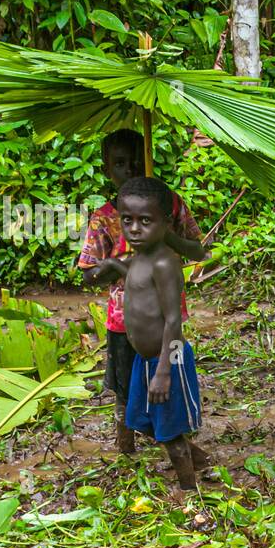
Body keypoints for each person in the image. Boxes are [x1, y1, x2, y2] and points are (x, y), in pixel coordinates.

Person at [77, 129, 207, 454]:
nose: (130, 168)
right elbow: (87, 274)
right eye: (120, 163)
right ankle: (127, 451)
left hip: (167, 317)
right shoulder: (104, 219)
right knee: (125, 390)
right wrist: (113, 266)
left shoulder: (171, 206)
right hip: (124, 322)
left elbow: (199, 251)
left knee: (169, 380)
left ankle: (180, 446)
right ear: (108, 169)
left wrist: (166, 235)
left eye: (136, 160)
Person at [112, 176, 210, 492]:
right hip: (146, 358)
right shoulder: (139, 257)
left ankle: (188, 491)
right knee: (146, 422)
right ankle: (200, 460)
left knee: (169, 432)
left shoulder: (166, 262)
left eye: (145, 221)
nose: (135, 229)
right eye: (128, 220)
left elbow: (172, 321)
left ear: (165, 223)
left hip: (169, 357)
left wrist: (164, 372)